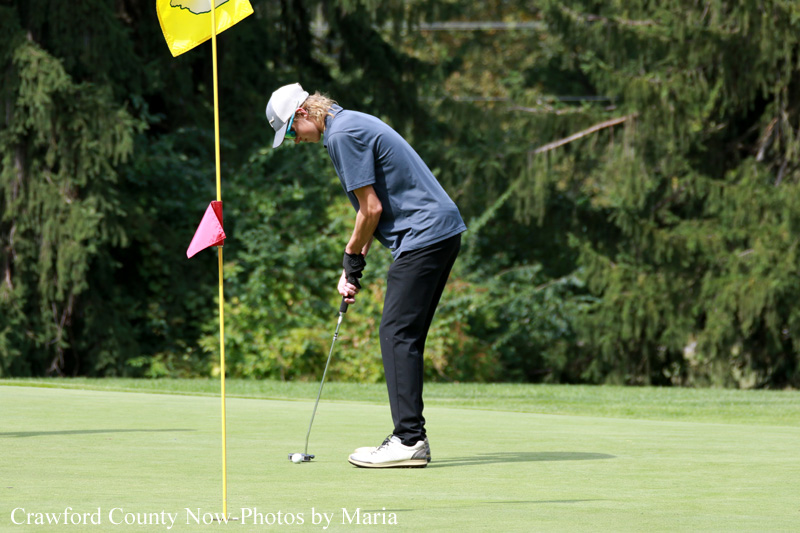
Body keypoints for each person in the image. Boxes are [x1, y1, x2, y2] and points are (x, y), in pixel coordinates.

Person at [266, 83, 466, 468]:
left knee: (396, 334)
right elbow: (374, 213)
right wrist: (353, 268)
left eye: (290, 132)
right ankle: (411, 437)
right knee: (405, 336)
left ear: (303, 113)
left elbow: (370, 210)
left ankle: (409, 440)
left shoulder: (340, 135)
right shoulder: (350, 122)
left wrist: (349, 253)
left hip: (423, 235)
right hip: (439, 232)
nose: (295, 140)